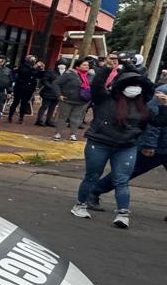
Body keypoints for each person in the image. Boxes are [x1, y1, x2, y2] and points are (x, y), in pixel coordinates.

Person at [71, 64, 156, 228]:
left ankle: (123, 214)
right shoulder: (105, 99)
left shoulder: (142, 104)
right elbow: (97, 84)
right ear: (121, 86)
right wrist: (108, 67)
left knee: (122, 180)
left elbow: (158, 119)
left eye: (137, 86)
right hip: (99, 143)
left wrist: (165, 108)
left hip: (127, 146)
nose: (134, 89)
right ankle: (80, 205)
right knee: (92, 176)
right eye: (130, 85)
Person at [86, 83, 167, 217]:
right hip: (158, 147)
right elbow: (151, 119)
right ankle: (94, 191)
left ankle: (95, 191)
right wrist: (149, 144)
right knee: (128, 172)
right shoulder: (163, 91)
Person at [55, 58, 92, 141]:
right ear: (78, 66)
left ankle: (73, 134)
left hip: (81, 101)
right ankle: (58, 133)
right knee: (62, 117)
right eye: (84, 65)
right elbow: (56, 83)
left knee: (76, 118)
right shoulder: (69, 74)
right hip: (67, 100)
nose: (87, 67)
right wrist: (59, 95)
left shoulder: (90, 76)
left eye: (88, 65)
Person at [7, 56, 38, 123]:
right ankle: (10, 116)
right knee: (16, 101)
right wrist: (34, 68)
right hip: (20, 87)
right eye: (32, 60)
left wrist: (41, 69)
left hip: (29, 88)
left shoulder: (33, 68)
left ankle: (21, 117)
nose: (34, 61)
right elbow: (25, 73)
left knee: (24, 103)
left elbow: (37, 75)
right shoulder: (22, 66)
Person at [35, 62, 60, 127]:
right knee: (45, 106)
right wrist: (51, 87)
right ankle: (39, 120)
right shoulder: (50, 72)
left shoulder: (64, 73)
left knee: (52, 107)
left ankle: (49, 120)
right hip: (48, 92)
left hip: (57, 93)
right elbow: (44, 80)